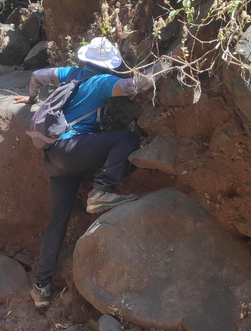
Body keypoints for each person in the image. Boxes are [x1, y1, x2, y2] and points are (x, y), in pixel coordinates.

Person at [14, 36, 177, 309]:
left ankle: (40, 288)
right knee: (127, 138)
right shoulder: (101, 82)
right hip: (75, 149)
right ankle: (102, 189)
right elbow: (135, 85)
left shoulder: (71, 74)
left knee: (58, 222)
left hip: (55, 156)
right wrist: (170, 60)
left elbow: (37, 75)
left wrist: (30, 97)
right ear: (107, 65)